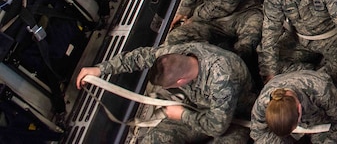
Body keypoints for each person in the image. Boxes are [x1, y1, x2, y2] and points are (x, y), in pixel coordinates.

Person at [76, 42, 252, 144]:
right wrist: (100, 70)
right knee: (155, 139)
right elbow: (139, 57)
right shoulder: (175, 56)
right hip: (201, 108)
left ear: (180, 82)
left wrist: (182, 114)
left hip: (234, 116)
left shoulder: (221, 78)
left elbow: (217, 128)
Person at [250, 70, 337, 144]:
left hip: (322, 122)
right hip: (298, 129)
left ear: (299, 108)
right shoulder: (263, 103)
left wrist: (329, 141)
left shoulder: (321, 91)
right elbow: (257, 133)